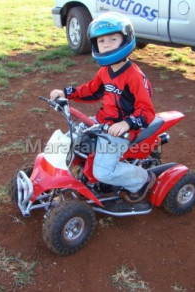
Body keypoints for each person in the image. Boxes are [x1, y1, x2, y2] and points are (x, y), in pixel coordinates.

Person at [50, 12, 156, 203]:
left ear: (126, 40)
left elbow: (147, 112)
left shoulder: (134, 76)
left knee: (104, 171)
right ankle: (57, 180)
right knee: (68, 141)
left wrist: (126, 124)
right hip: (101, 121)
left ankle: (143, 178)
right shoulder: (105, 71)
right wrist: (66, 93)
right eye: (101, 40)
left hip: (121, 132)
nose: (106, 44)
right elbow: (91, 91)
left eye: (112, 39)